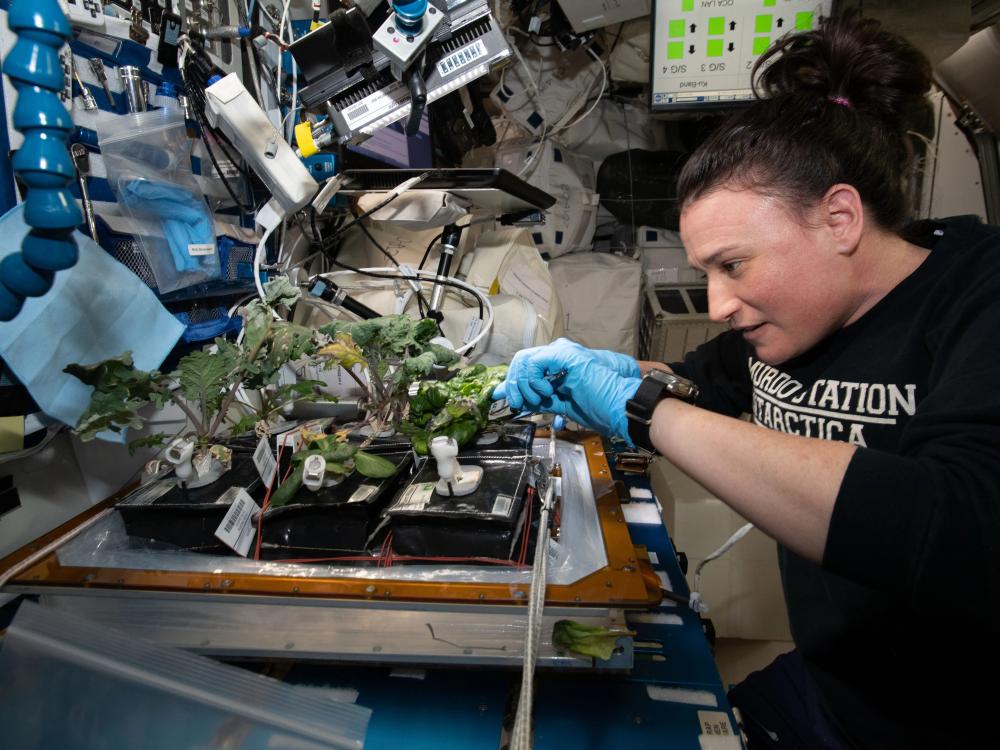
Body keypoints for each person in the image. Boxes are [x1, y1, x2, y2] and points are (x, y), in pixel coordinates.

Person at [492, 15, 1000, 750]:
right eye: (706, 274)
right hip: (830, 686)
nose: (720, 305)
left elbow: (960, 528)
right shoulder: (789, 325)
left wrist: (641, 407)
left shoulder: (977, 293)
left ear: (839, 217)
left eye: (733, 265)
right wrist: (604, 371)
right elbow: (699, 387)